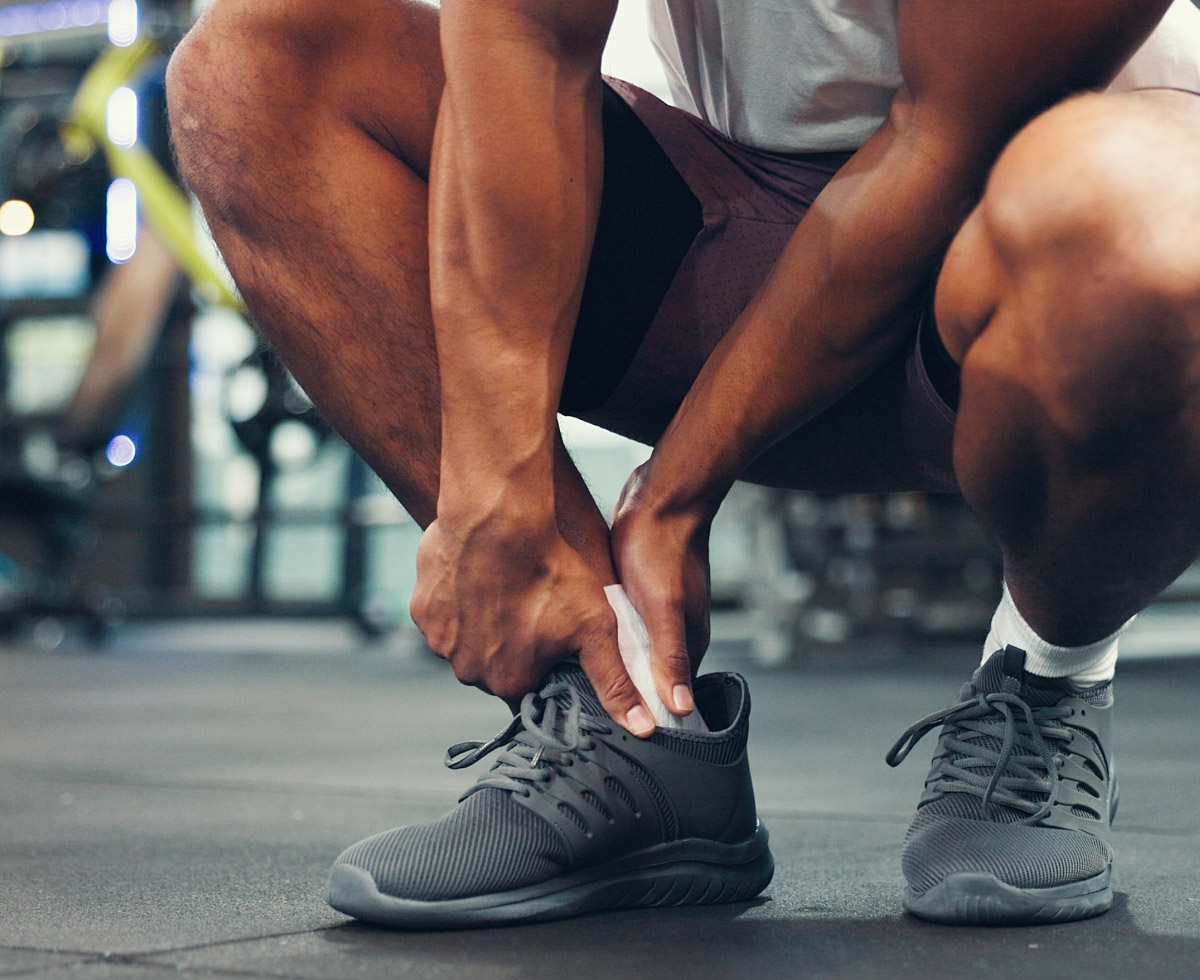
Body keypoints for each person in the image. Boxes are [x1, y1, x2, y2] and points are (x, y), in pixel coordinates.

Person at [165, 0, 1200, 929]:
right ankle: (629, 715)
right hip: (723, 221)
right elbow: (524, 39)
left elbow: (940, 142)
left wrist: (674, 492)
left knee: (1137, 227)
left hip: (1035, 275)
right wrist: (490, 483)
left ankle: (1051, 677)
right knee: (252, 71)